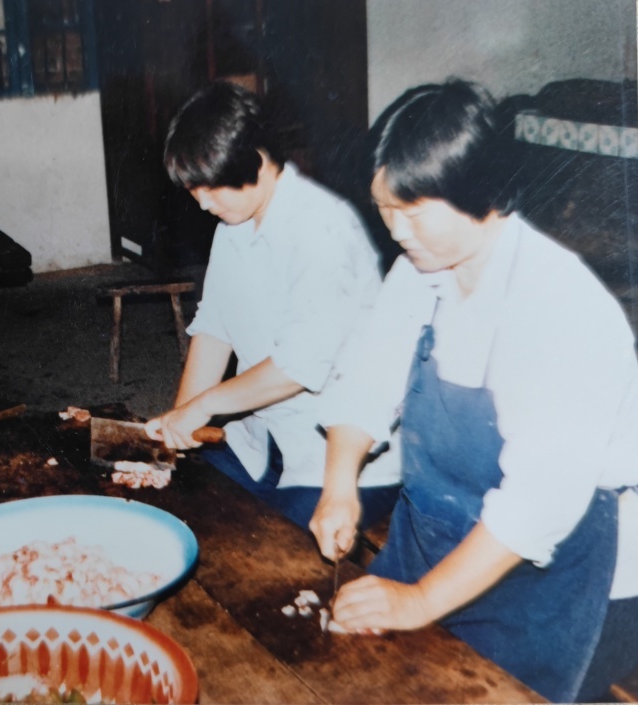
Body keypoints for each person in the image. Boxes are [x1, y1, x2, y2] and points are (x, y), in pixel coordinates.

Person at [310, 79, 638, 702]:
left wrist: (420, 601)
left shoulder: (558, 308)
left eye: (413, 211)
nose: (396, 230)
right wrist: (339, 485)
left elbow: (536, 508)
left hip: (557, 570)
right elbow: (366, 380)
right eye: (385, 209)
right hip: (437, 536)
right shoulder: (419, 272)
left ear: (482, 195)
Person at [144, 81, 400, 531]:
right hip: (262, 442)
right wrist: (176, 430)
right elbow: (214, 329)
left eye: (211, 187)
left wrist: (205, 405)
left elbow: (299, 367)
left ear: (258, 164)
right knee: (179, 506)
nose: (202, 203)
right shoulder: (233, 225)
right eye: (194, 189)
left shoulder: (323, 229)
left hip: (339, 460)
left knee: (258, 545)